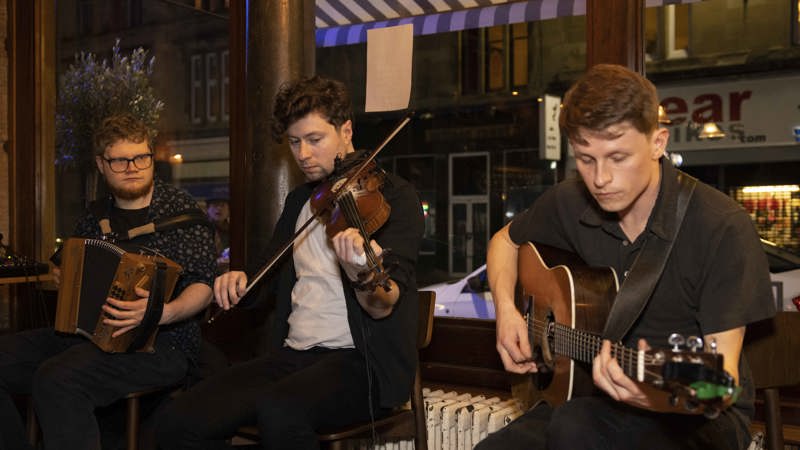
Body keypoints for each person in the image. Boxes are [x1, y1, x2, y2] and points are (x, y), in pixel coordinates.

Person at [479, 64, 775, 450]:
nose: (600, 178)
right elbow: (504, 242)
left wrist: (651, 396)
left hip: (697, 416)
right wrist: (506, 312)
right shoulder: (569, 202)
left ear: (658, 143)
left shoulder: (720, 226)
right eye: (586, 159)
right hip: (592, 398)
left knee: (575, 428)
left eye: (618, 157)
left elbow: (720, 384)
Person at [155, 75, 424, 449]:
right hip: (293, 356)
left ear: (346, 130)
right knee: (179, 419)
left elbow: (384, 304)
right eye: (295, 142)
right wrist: (239, 282)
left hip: (362, 364)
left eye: (314, 140)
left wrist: (359, 269)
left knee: (279, 410)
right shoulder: (301, 202)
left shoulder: (394, 198)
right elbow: (265, 276)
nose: (303, 154)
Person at [0, 114, 217, 450]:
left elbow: (203, 285)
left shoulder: (181, 213)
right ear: (101, 164)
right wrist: (64, 277)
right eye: (119, 160)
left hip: (163, 344)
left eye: (141, 157)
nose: (133, 167)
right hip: (87, 336)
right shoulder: (94, 216)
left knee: (59, 378)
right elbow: (67, 265)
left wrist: (163, 312)